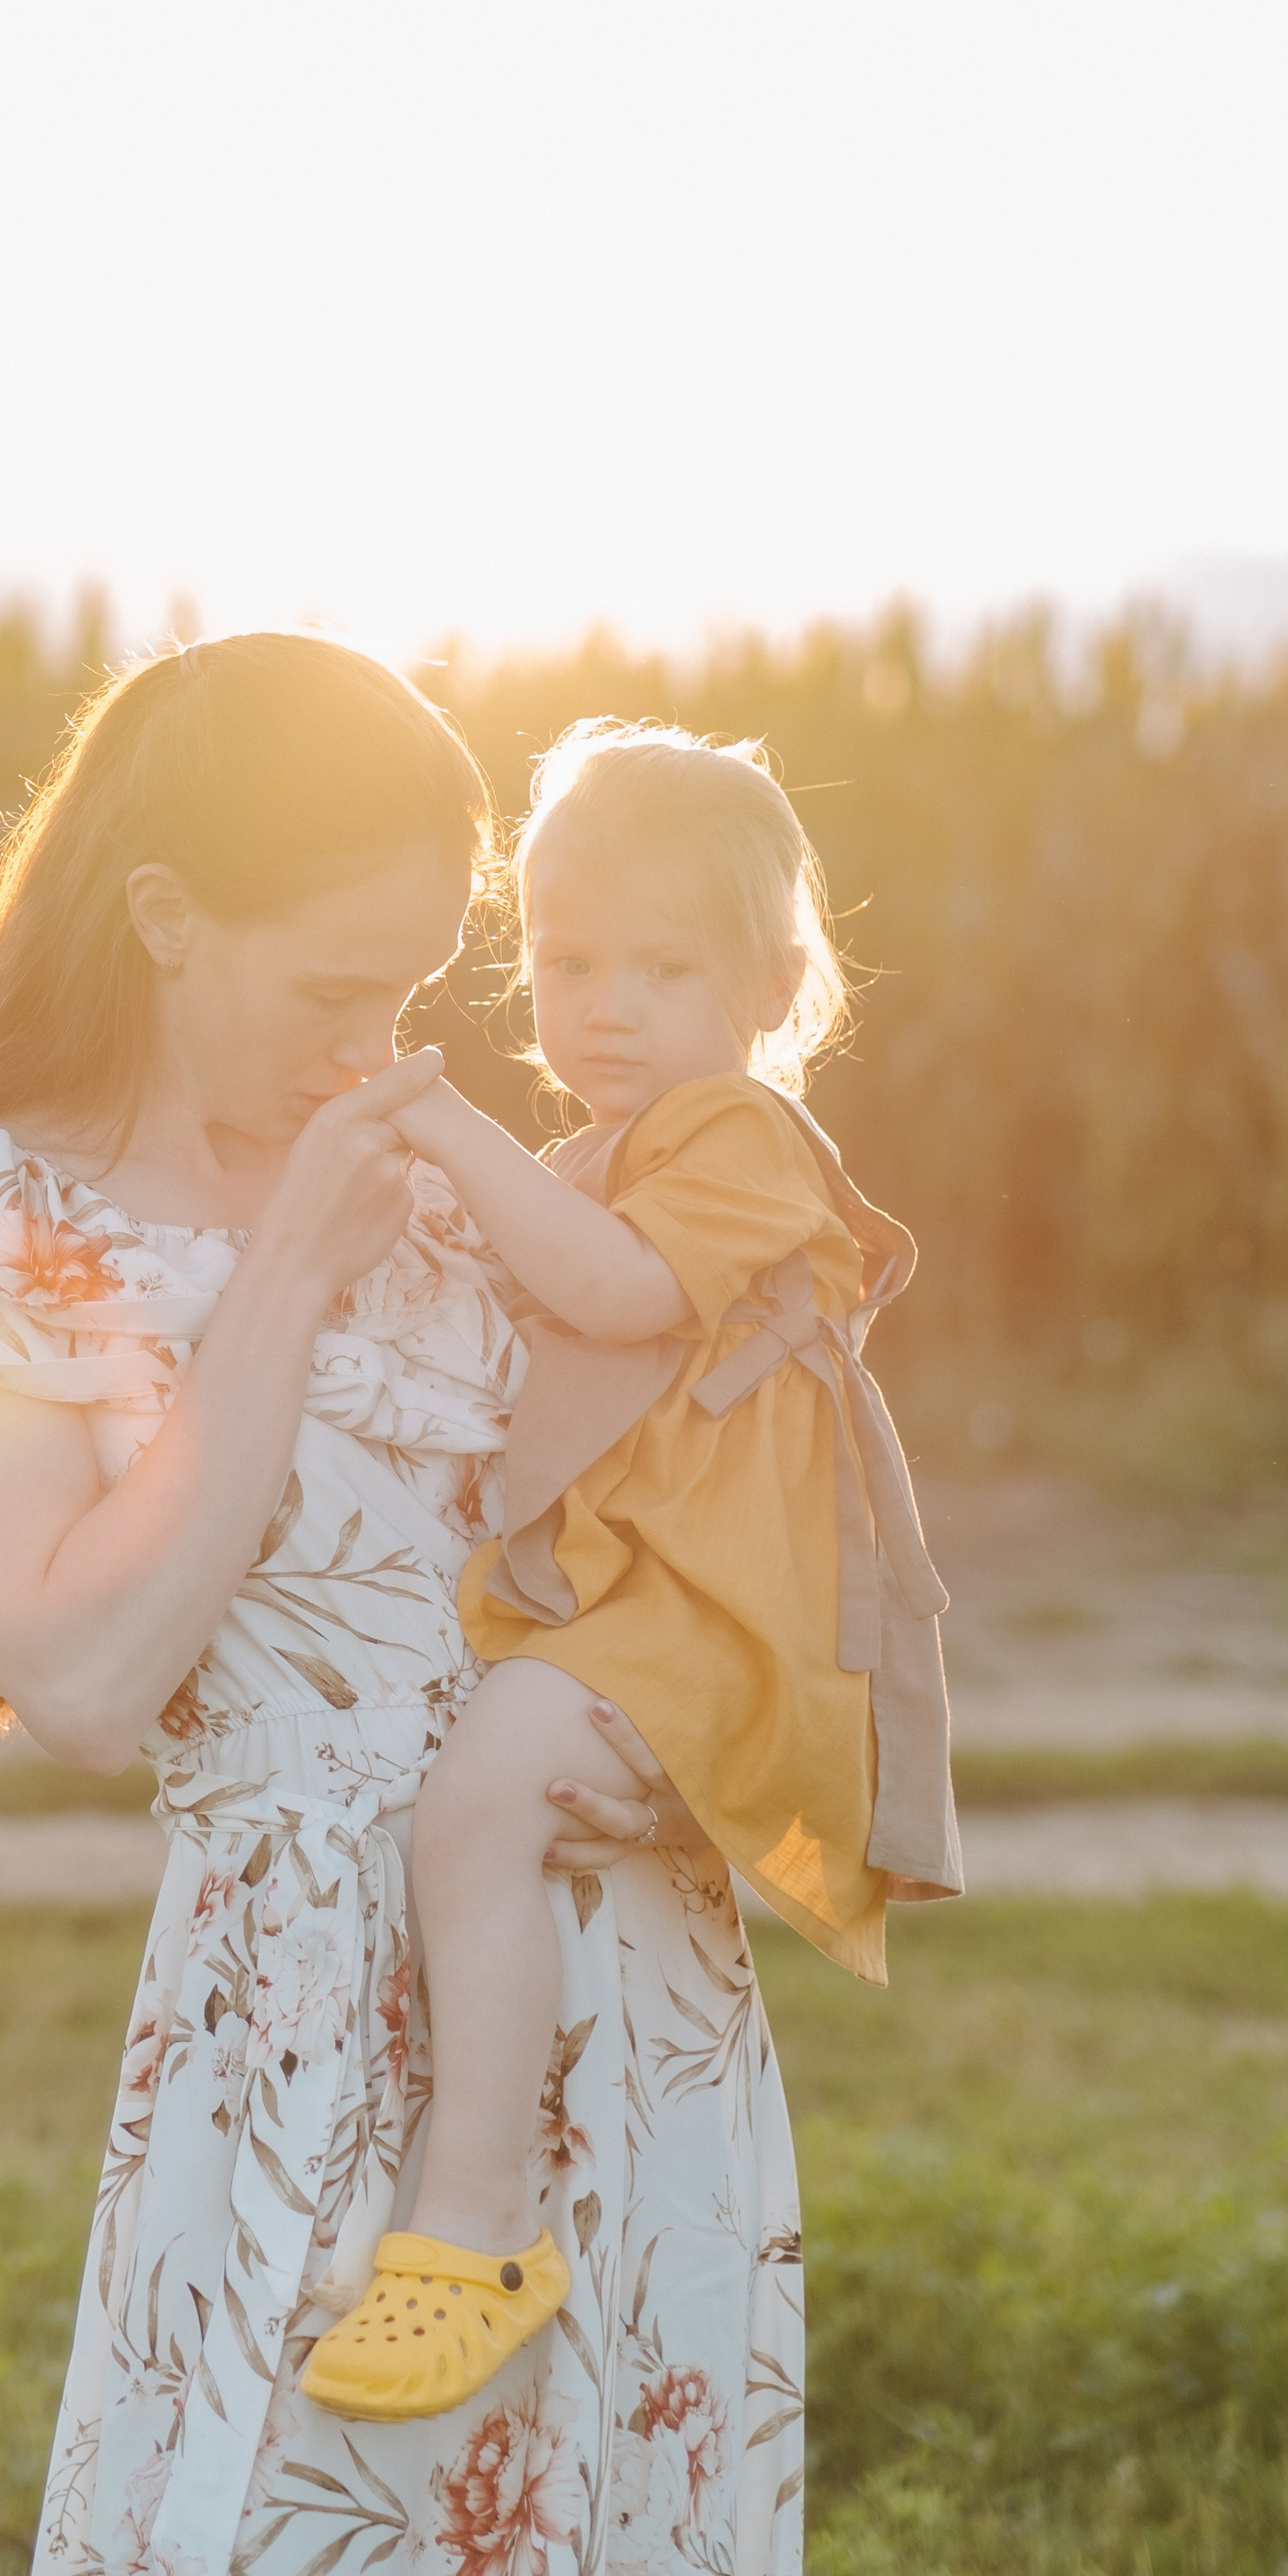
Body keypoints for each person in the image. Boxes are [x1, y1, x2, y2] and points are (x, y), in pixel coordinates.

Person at [0, 640, 806, 2576]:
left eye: (409, 989)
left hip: (625, 1984)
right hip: (307, 1998)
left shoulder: (469, 1187)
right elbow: (80, 1672)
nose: (378, 1043)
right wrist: (287, 1277)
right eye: (332, 989)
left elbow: (690, 1470)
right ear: (161, 918)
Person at [300, 722, 961, 2427]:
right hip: (624, 1610)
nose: (597, 1005)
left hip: (708, 1621)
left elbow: (603, 1297)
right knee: (470, 1811)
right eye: (565, 960)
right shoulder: (607, 1149)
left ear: (764, 985)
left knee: (474, 1807)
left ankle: (476, 2229)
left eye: (657, 968)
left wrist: (442, 1123)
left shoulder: (737, 1133)